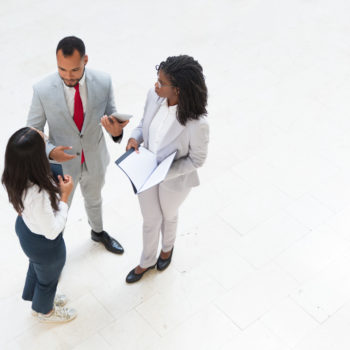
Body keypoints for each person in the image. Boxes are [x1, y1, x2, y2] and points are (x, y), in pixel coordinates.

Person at [27, 36, 128, 254]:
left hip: (95, 158)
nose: (68, 76)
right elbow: (32, 132)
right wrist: (51, 151)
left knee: (95, 199)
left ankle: (98, 231)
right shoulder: (42, 89)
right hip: (62, 166)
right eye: (62, 69)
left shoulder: (103, 81)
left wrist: (117, 132)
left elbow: (111, 117)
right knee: (59, 208)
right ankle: (54, 251)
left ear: (85, 60)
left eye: (74, 69)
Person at [125, 55, 209, 283]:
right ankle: (146, 261)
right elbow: (144, 124)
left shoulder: (197, 123)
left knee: (169, 215)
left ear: (179, 90)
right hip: (145, 172)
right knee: (150, 219)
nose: (156, 85)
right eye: (157, 79)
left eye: (162, 83)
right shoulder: (153, 96)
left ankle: (167, 249)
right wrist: (134, 138)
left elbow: (197, 159)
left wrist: (164, 172)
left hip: (174, 180)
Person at [2, 127, 77, 323]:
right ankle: (44, 311)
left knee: (37, 268)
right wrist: (65, 196)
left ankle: (36, 297)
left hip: (26, 230)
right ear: (36, 159)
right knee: (49, 279)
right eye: (44, 146)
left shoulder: (13, 176)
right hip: (45, 244)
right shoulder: (38, 193)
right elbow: (52, 231)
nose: (48, 146)